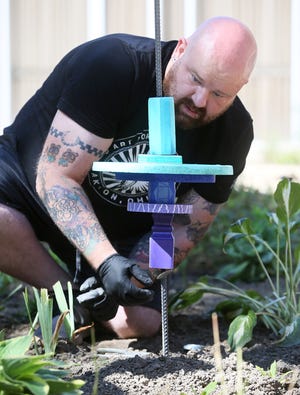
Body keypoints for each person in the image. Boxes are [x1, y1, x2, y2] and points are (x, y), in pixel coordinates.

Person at [0, 16, 257, 339]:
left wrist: (130, 279)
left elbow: (184, 226)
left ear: (240, 87)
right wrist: (105, 262)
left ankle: (93, 301)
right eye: (195, 78)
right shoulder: (113, 66)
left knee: (135, 324)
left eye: (220, 94)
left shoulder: (233, 132)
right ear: (180, 49)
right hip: (28, 186)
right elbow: (56, 177)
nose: (200, 100)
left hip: (120, 227)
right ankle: (64, 294)